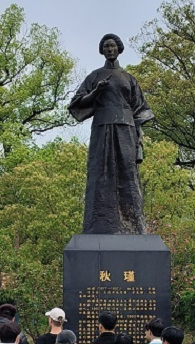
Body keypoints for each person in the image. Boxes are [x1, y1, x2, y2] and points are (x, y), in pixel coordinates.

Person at [68, 33, 154, 235]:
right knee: (101, 174)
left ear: (119, 48)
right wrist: (96, 92)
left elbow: (140, 108)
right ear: (102, 50)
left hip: (126, 129)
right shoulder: (94, 76)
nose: (109, 49)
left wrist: (138, 137)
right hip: (102, 129)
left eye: (112, 46)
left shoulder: (129, 78)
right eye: (106, 46)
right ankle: (98, 225)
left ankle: (133, 226)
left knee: (128, 176)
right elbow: (76, 104)